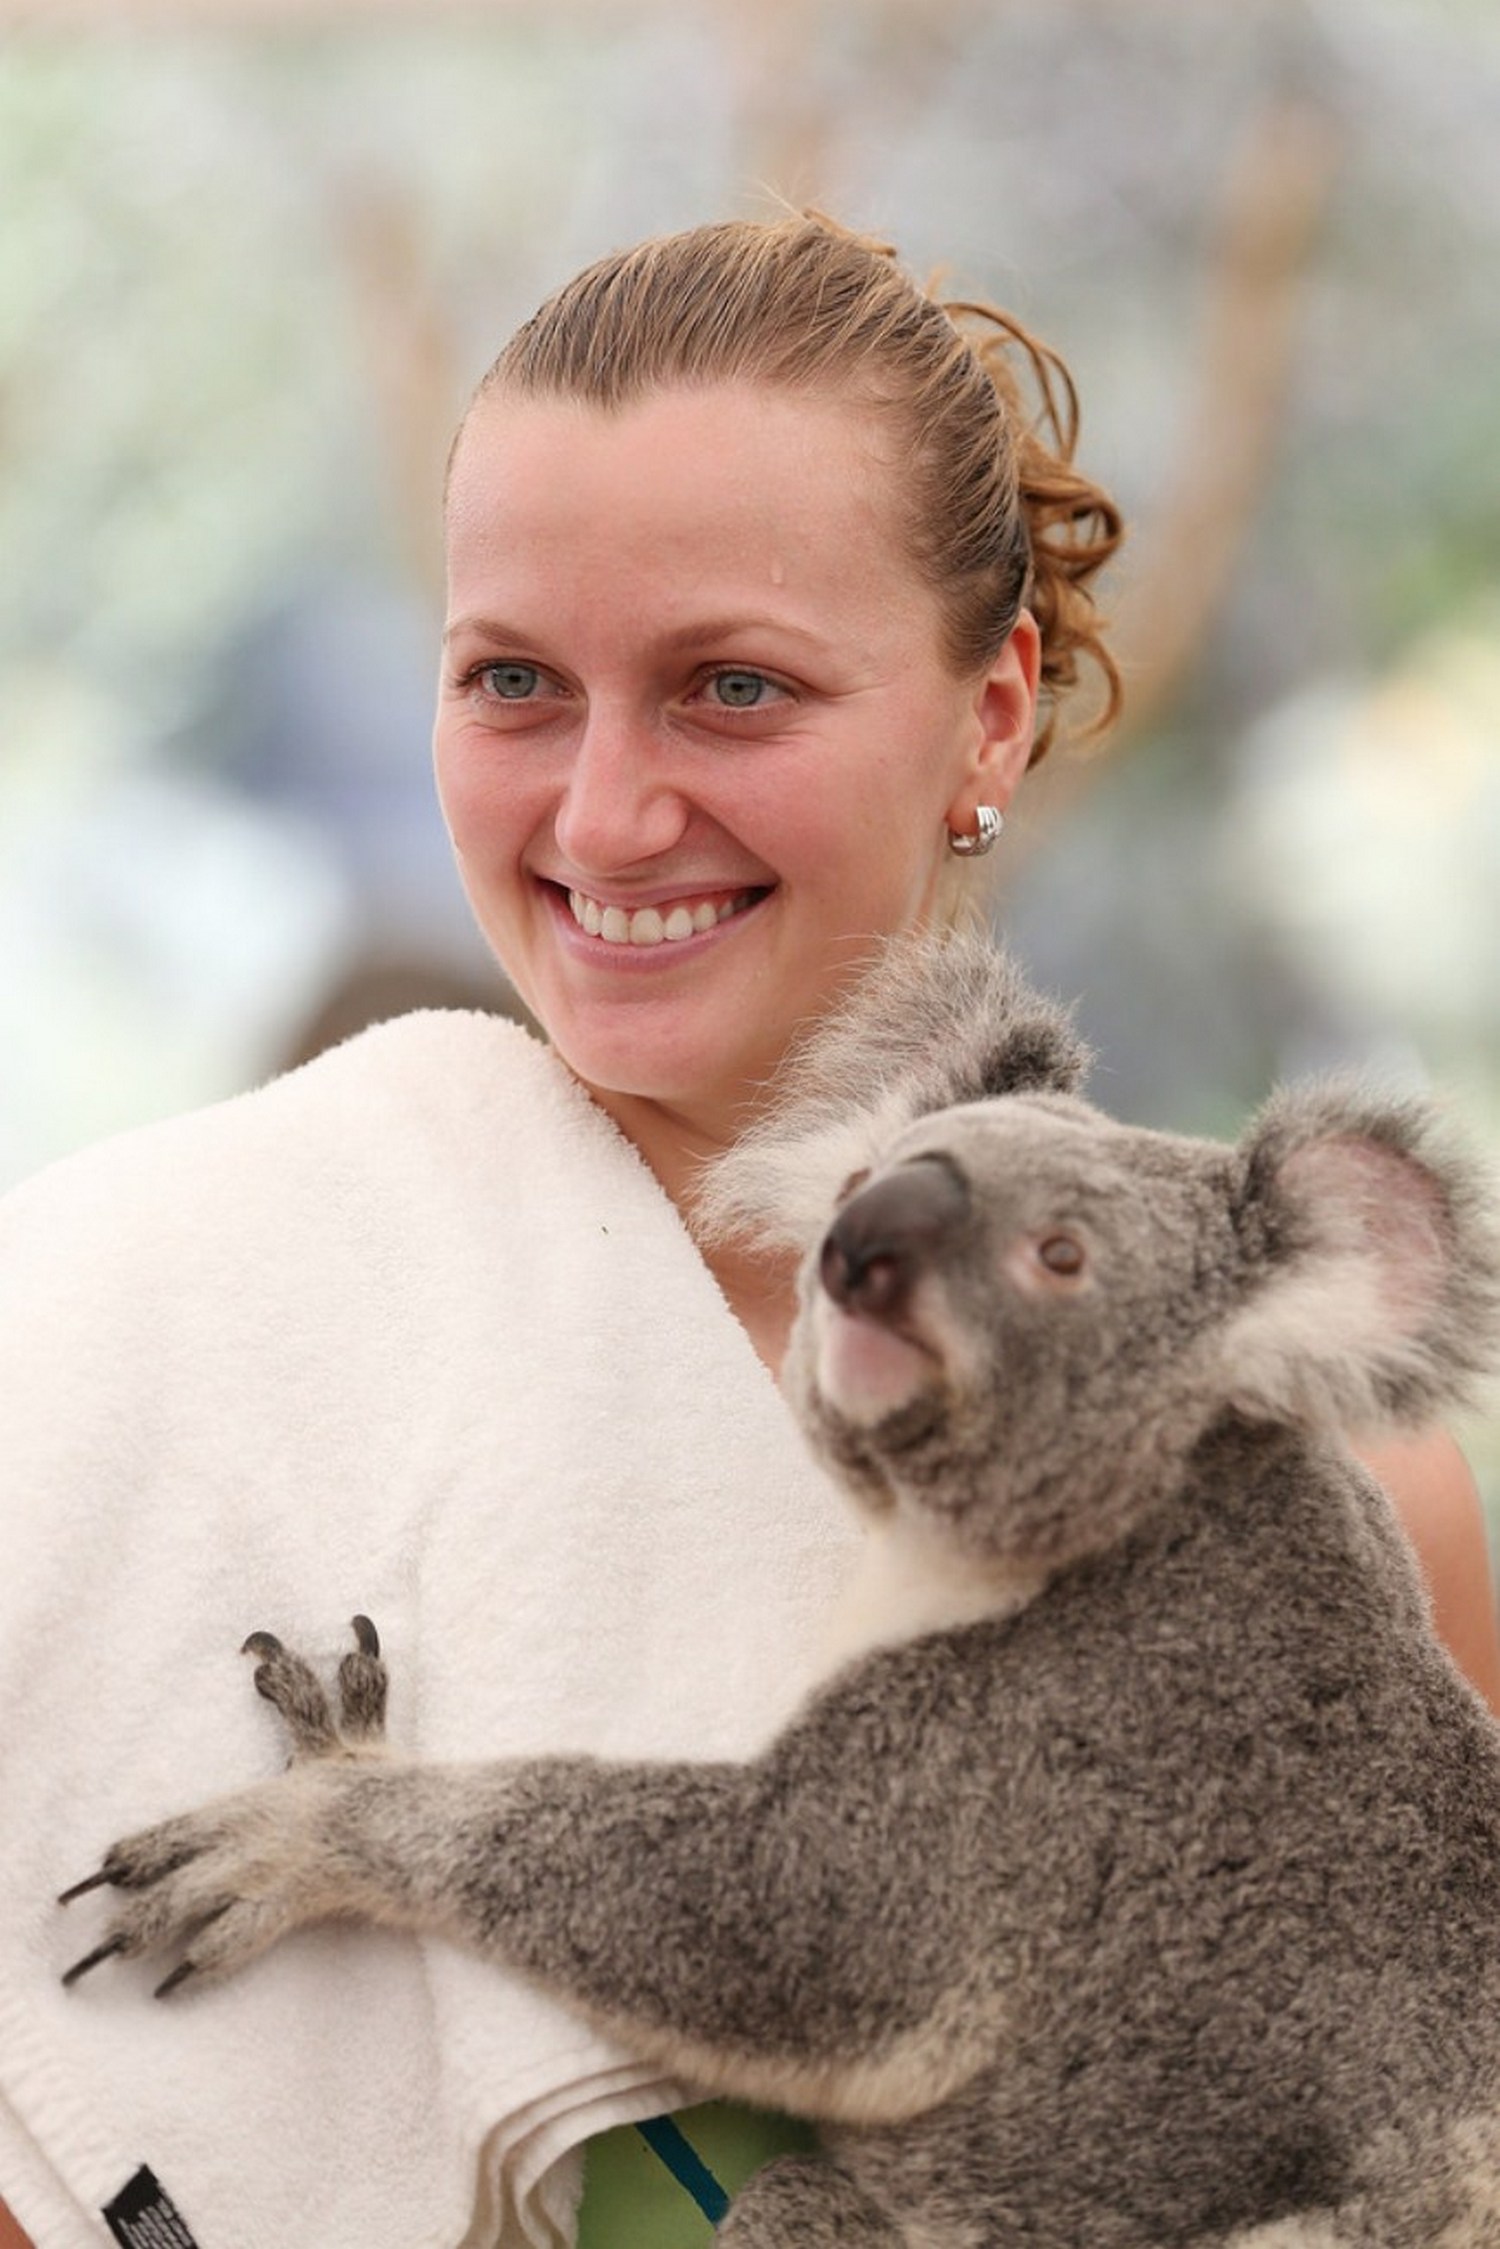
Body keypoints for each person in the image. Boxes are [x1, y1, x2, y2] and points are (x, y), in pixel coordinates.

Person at [1, 212, 1495, 2249]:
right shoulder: (161, 1313)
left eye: (732, 688)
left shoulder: (1320, 1477)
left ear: (992, 715)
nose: (605, 815)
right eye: (513, 681)